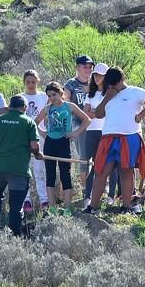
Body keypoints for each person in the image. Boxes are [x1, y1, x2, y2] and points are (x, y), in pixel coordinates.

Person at [87, 67, 145, 214]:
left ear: (122, 79)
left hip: (129, 136)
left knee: (126, 171)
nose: (115, 87)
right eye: (111, 84)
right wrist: (107, 97)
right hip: (108, 137)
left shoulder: (134, 91)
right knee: (101, 171)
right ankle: (93, 207)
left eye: (116, 83)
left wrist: (141, 115)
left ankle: (126, 207)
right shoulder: (107, 94)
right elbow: (98, 114)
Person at [0, 95, 43, 237]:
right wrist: (38, 153)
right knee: (16, 205)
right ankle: (14, 235)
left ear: (9, 107)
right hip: (18, 169)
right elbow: (34, 145)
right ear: (25, 108)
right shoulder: (28, 122)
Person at [34, 82, 90, 216]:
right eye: (49, 95)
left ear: (60, 93)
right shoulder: (47, 108)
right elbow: (34, 122)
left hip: (64, 142)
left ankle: (67, 207)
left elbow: (87, 120)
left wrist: (75, 133)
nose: (52, 98)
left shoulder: (69, 106)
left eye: (54, 94)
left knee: (65, 174)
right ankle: (52, 207)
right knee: (50, 175)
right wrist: (42, 132)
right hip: (50, 143)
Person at [81, 63, 120, 210]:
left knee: (111, 164)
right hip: (91, 131)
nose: (97, 78)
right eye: (95, 75)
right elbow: (86, 113)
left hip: (107, 131)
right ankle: (88, 196)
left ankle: (111, 196)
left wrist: (96, 111)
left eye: (101, 75)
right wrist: (98, 111)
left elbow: (106, 112)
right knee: (92, 163)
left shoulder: (110, 93)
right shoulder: (89, 94)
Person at [64, 55, 95, 193]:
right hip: (79, 125)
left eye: (90, 67)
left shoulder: (95, 82)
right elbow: (66, 103)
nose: (87, 69)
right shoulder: (71, 84)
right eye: (84, 66)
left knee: (98, 156)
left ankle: (98, 188)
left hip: (97, 124)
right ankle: (85, 189)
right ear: (77, 68)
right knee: (84, 158)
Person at [20, 70, 49, 212]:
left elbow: (48, 115)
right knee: (25, 169)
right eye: (28, 82)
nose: (31, 85)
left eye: (33, 82)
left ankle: (44, 200)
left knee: (39, 170)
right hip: (23, 138)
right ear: (24, 82)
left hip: (40, 136)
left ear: (38, 81)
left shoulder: (43, 96)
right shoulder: (20, 97)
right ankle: (26, 200)